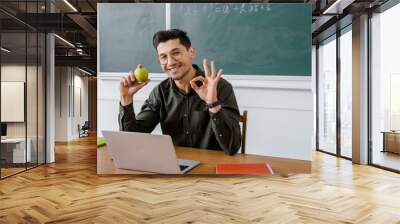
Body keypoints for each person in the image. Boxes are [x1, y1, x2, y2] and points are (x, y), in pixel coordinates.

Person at [118, 29, 241, 155]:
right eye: (163, 57)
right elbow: (132, 141)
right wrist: (126, 99)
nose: (170, 62)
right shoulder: (160, 93)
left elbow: (232, 147)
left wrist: (213, 104)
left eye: (176, 53)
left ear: (191, 52)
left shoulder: (220, 87)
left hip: (212, 168)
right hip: (176, 167)